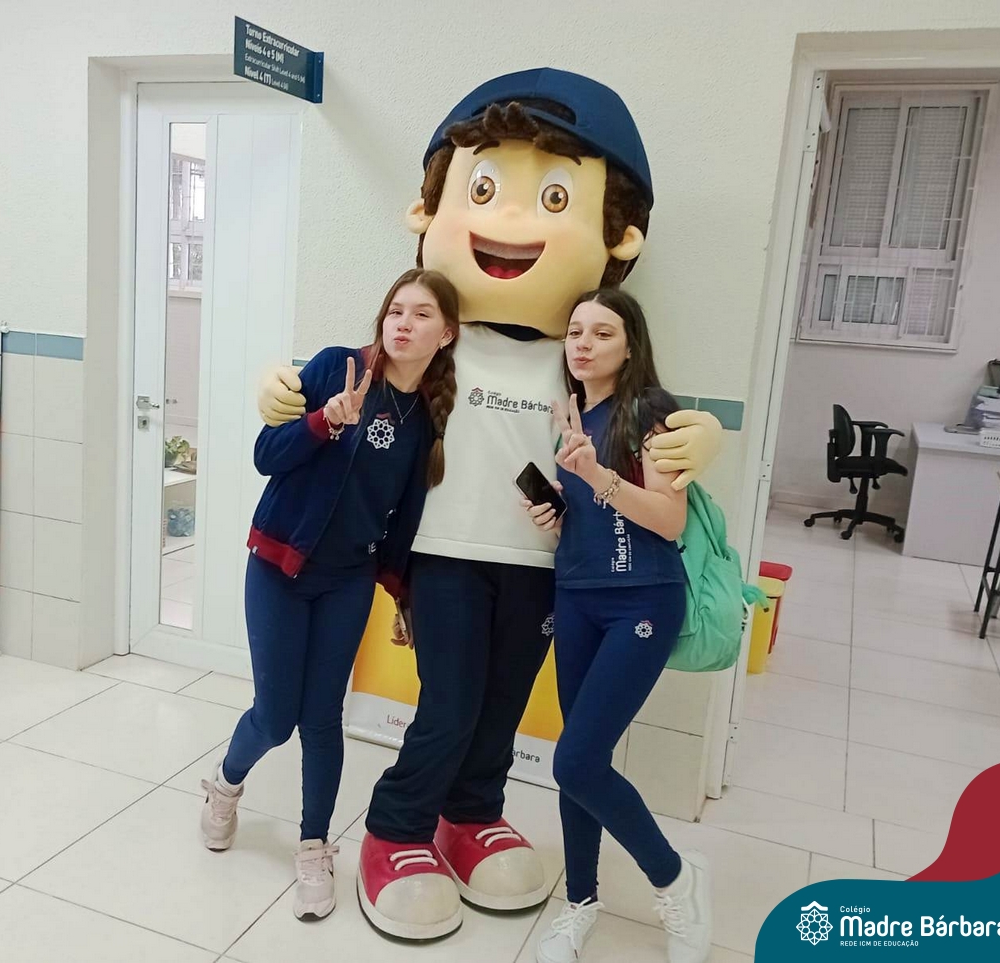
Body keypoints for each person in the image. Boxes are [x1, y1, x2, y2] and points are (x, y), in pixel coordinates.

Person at [255, 70, 723, 939]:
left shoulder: (577, 355)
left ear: (618, 238)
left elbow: (638, 416)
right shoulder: (437, 337)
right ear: (427, 211)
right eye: (481, 190)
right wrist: (288, 394)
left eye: (554, 198)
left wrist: (706, 438)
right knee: (449, 704)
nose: (509, 221)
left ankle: (470, 813)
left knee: (503, 707)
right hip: (444, 555)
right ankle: (397, 826)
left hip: (544, 565)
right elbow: (362, 369)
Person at [200, 268, 460, 923]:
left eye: (421, 314)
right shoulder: (334, 367)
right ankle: (225, 785)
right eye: (396, 310)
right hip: (279, 567)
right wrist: (323, 420)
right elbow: (267, 455)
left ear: (446, 333)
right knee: (275, 717)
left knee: (322, 719)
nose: (403, 324)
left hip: (347, 580)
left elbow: (403, 517)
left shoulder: (427, 418)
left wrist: (400, 594)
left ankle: (314, 847)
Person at [523, 287, 712, 963]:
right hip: (576, 597)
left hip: (642, 601)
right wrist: (555, 515)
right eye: (575, 331)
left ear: (631, 346)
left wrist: (598, 474)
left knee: (574, 760)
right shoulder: (570, 414)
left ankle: (676, 878)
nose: (583, 343)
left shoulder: (652, 411)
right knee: (582, 763)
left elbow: (668, 519)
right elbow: (594, 518)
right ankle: (580, 902)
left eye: (602, 333)